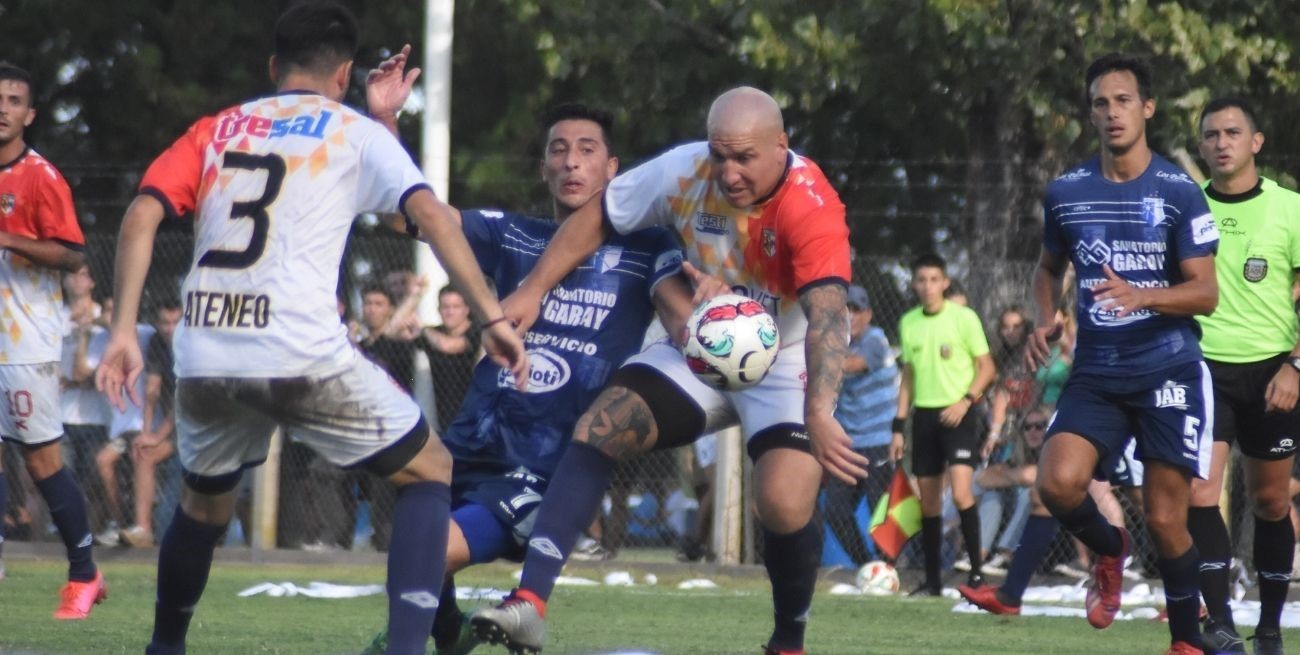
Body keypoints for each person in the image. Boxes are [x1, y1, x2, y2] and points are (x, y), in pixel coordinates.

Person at [92, 5, 526, 654]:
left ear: (274, 68)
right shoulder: (352, 130)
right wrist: (491, 315)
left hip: (207, 350)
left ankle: (165, 647)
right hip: (299, 350)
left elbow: (141, 215)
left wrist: (124, 327)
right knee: (431, 469)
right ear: (346, 74)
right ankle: (413, 644)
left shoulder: (217, 129)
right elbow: (428, 216)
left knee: (205, 510)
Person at [473, 86, 859, 655]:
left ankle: (788, 642)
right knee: (601, 426)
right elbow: (599, 215)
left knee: (780, 502)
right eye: (719, 155)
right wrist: (534, 288)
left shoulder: (810, 205)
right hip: (700, 346)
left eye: (744, 158)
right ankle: (529, 602)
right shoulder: (684, 170)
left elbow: (828, 314)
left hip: (785, 362)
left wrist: (819, 412)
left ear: (781, 145)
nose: (727, 172)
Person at [360, 49, 689, 655]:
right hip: (471, 439)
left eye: (587, 150)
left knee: (427, 553)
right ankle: (447, 630)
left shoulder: (649, 247)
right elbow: (416, 216)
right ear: (543, 166)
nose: (571, 161)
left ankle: (407, 642)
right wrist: (385, 123)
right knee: (410, 547)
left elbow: (678, 310)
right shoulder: (513, 233)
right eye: (559, 149)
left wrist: (709, 319)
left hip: (546, 464)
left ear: (613, 169)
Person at [1025, 53, 1219, 655]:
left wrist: (1144, 294)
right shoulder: (1066, 192)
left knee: (1166, 519)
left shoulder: (1180, 192)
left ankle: (1186, 643)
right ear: (1091, 114)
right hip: (1098, 374)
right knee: (1056, 483)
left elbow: (1206, 293)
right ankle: (1110, 551)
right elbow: (1047, 267)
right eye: (1101, 103)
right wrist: (1046, 317)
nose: (1112, 113)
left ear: (1148, 108)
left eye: (1124, 100)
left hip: (1168, 371)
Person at [1188, 96, 1300, 655]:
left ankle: (1272, 629)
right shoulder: (1187, 206)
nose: (1221, 142)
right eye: (1211, 135)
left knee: (1272, 503)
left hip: (1273, 372)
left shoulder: (1290, 208)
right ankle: (1223, 625)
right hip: (1203, 369)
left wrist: (1295, 365)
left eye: (1233, 132)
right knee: (1200, 491)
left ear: (1256, 142)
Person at [0, 61, 106, 617]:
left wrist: (7, 238)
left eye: (14, 100)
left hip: (25, 343)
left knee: (41, 462)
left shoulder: (41, 176)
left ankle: (85, 572)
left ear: (29, 114)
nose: (3, 108)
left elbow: (71, 254)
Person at [893, 253, 997, 595]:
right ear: (914, 284)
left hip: (960, 415)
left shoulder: (964, 318)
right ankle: (933, 581)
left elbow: (987, 367)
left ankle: (977, 575)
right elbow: (908, 376)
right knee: (930, 501)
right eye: (921, 280)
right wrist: (898, 425)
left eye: (934, 280)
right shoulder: (909, 322)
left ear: (945, 282)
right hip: (924, 417)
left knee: (963, 491)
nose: (928, 286)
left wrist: (966, 400)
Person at [824, 285, 901, 570]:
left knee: (879, 509)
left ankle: (888, 566)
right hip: (849, 443)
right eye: (845, 310)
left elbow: (855, 365)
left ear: (867, 315)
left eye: (856, 310)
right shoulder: (833, 344)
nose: (850, 316)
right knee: (835, 510)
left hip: (880, 439)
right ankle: (868, 566)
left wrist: (819, 358)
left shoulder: (875, 340)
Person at [118, 298, 184, 546]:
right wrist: (146, 434)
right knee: (144, 453)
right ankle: (142, 529)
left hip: (202, 425)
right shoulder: (157, 342)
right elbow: (152, 390)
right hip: (175, 428)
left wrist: (158, 436)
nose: (170, 329)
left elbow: (183, 399)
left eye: (175, 322)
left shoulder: (191, 345)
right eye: (165, 323)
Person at [421, 285, 481, 431]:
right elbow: (392, 330)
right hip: (439, 414)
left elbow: (449, 346)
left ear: (467, 309)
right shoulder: (434, 332)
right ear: (438, 309)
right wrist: (413, 295)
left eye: (456, 307)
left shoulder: (476, 331)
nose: (450, 312)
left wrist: (423, 329)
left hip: (471, 414)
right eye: (445, 307)